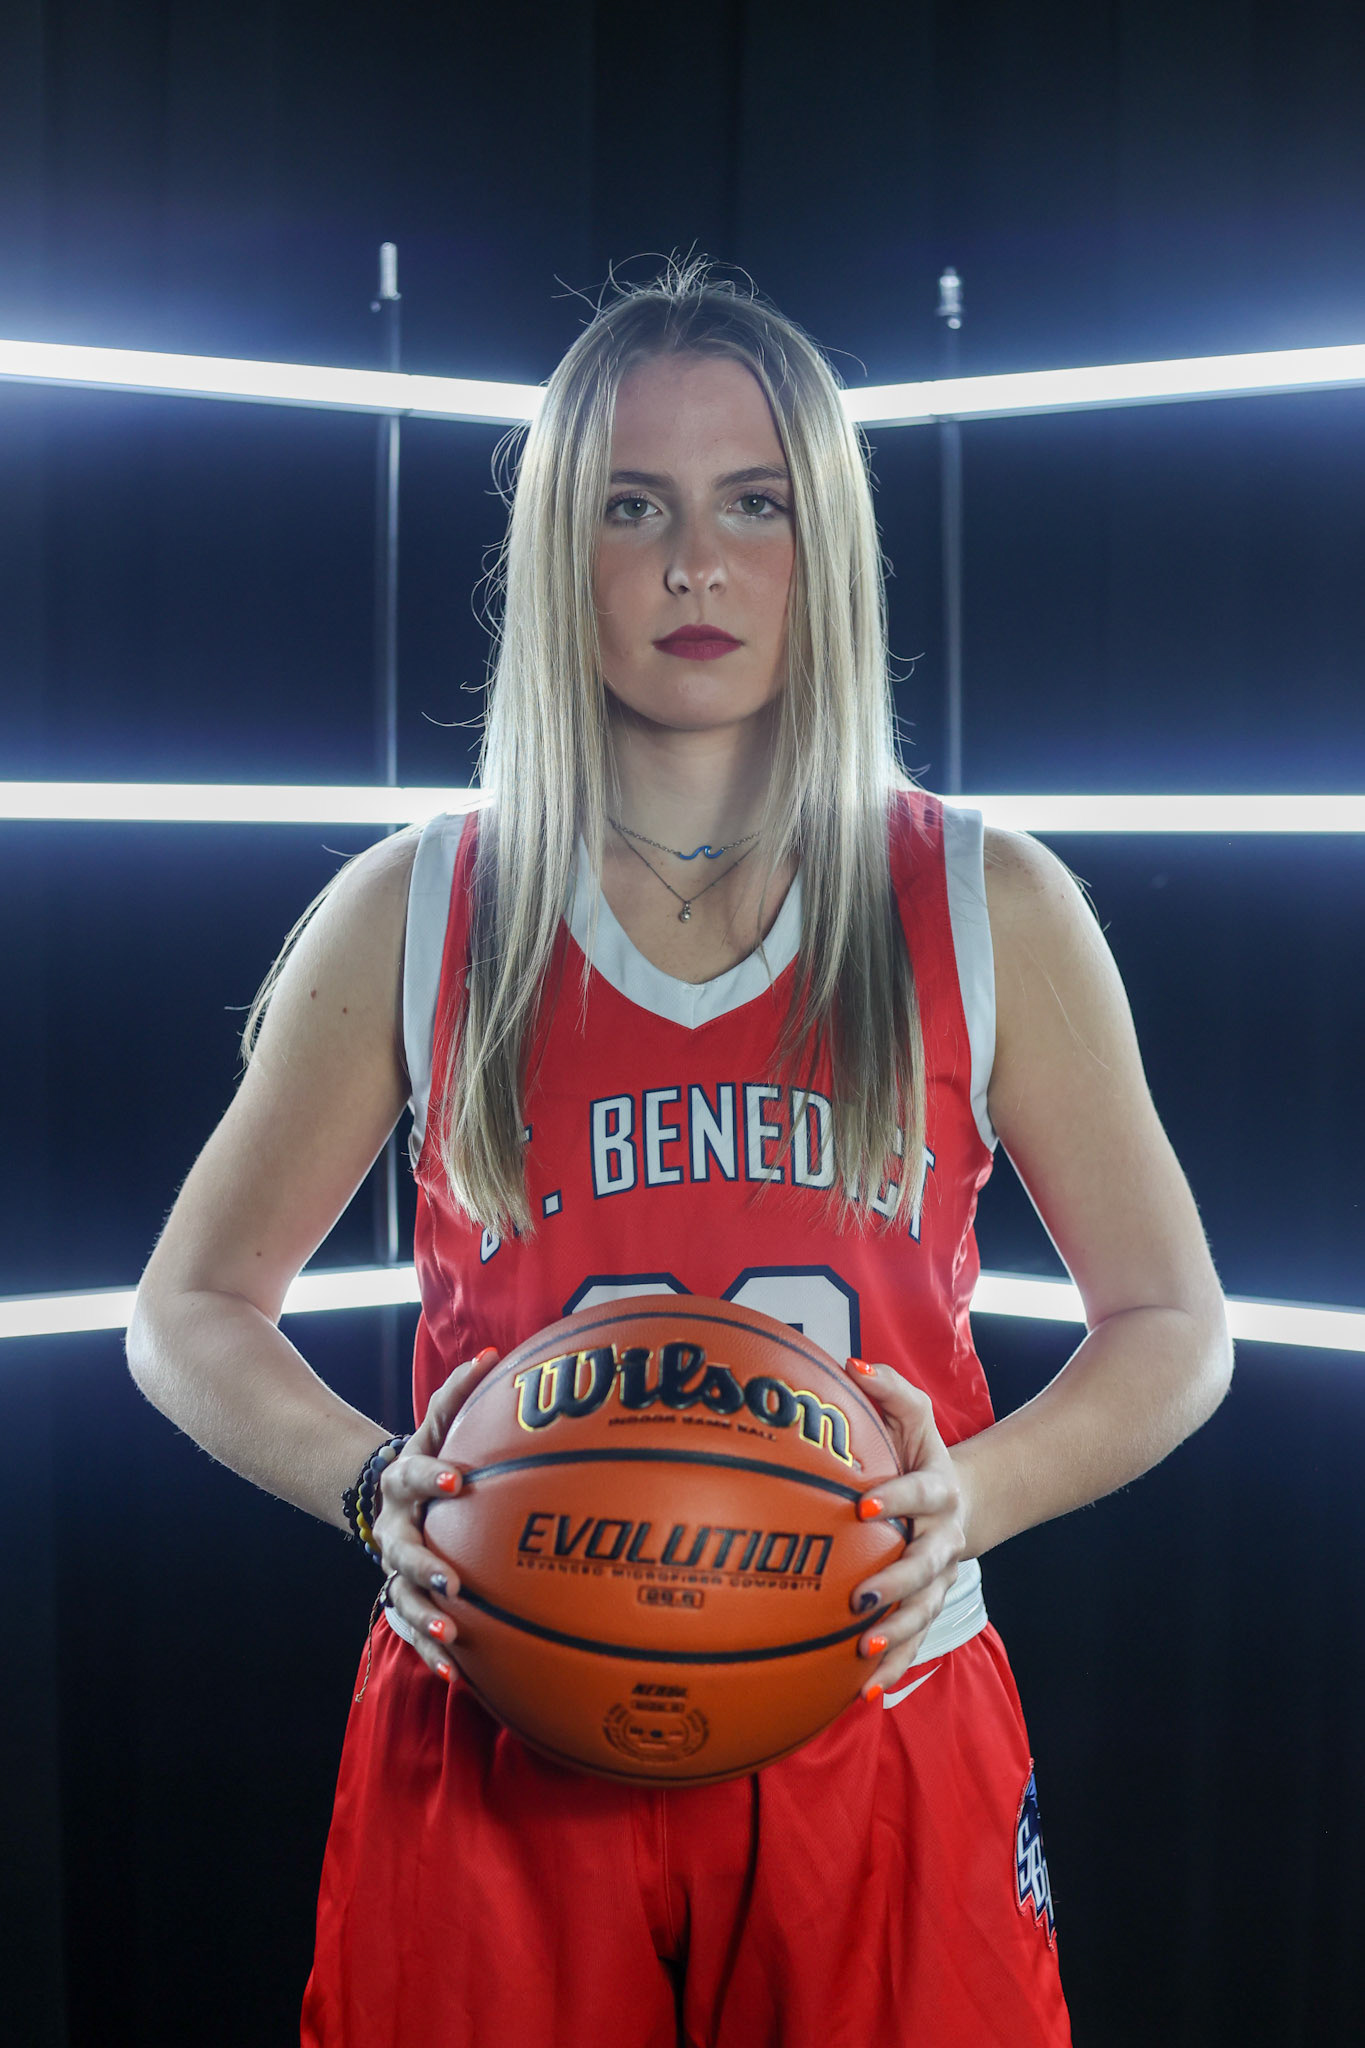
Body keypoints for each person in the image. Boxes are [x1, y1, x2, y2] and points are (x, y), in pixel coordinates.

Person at [126, 255, 1232, 2047]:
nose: (693, 565)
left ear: (831, 547)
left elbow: (1174, 1321)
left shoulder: (977, 900)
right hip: (495, 1712)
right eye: (631, 506)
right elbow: (187, 1307)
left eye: (753, 505)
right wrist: (373, 1486)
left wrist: (979, 1496)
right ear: (560, 552)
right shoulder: (421, 906)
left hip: (873, 1697)